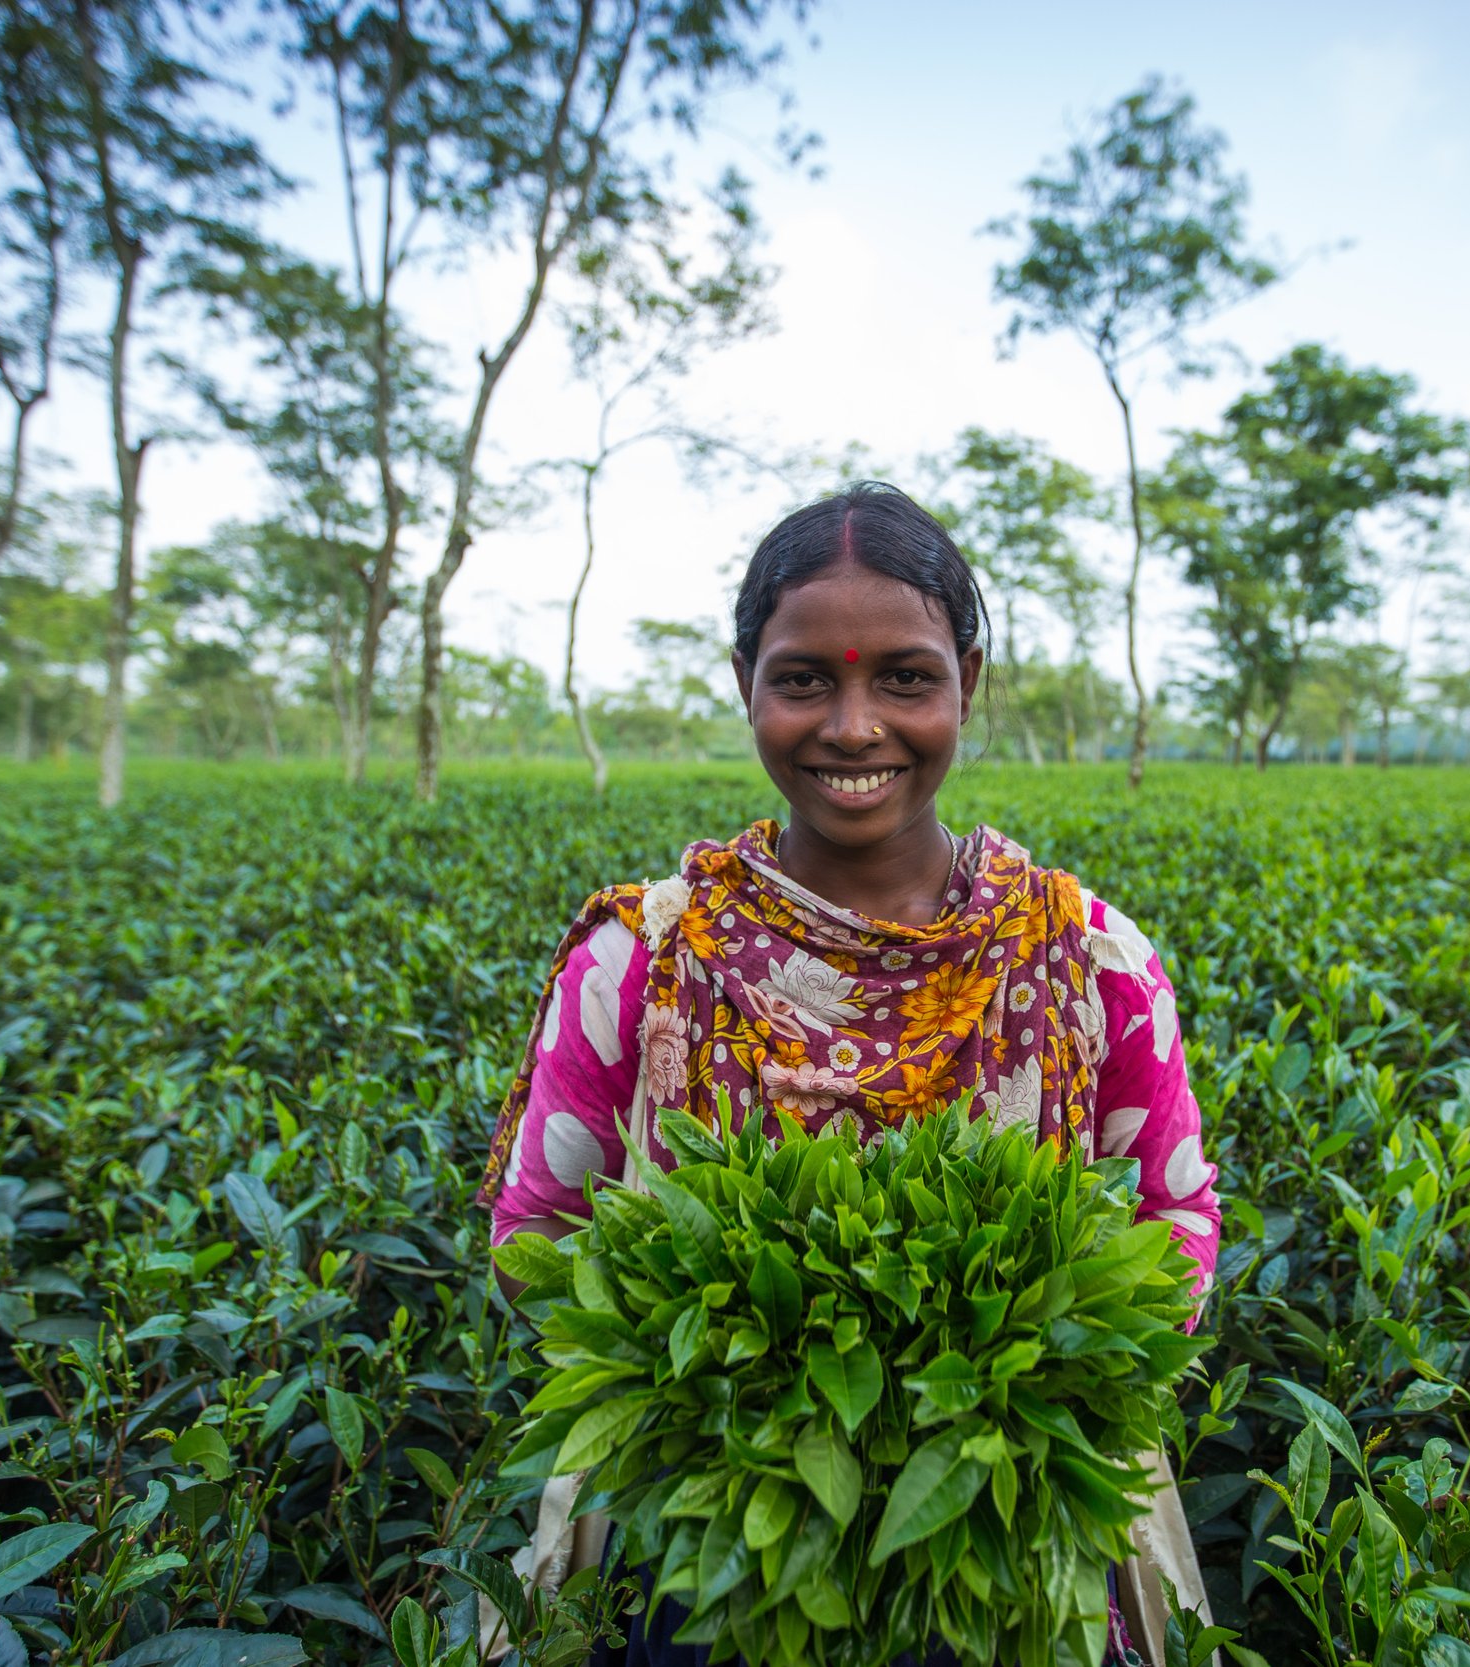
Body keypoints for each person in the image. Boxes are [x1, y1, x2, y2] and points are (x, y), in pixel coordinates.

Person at [478, 482, 1221, 1665]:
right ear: (746, 684)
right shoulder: (641, 956)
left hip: (1012, 1543)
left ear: (968, 680)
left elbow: (1170, 1212)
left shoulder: (1089, 956)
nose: (854, 725)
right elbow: (539, 1233)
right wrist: (733, 1409)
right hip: (705, 1548)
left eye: (906, 677)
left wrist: (1012, 1402)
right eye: (805, 678)